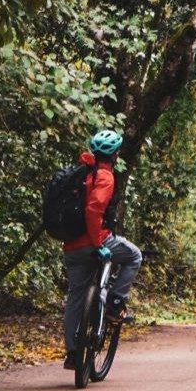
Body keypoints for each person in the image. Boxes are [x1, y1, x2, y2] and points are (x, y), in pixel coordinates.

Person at [62, 129, 143, 370]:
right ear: (115, 155)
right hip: (96, 241)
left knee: (76, 296)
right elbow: (93, 210)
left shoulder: (80, 172)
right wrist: (98, 245)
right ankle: (116, 303)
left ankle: (72, 353)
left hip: (71, 246)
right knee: (134, 256)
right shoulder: (105, 177)